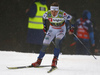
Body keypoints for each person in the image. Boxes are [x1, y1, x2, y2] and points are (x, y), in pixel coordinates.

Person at [31, 2, 72, 68]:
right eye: (52, 11)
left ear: (58, 10)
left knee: (57, 41)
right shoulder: (48, 13)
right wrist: (44, 27)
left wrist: (71, 28)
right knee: (45, 44)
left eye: (55, 11)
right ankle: (38, 61)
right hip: (52, 29)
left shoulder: (62, 14)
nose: (53, 13)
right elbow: (43, 18)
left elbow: (71, 18)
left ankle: (54, 61)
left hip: (61, 30)